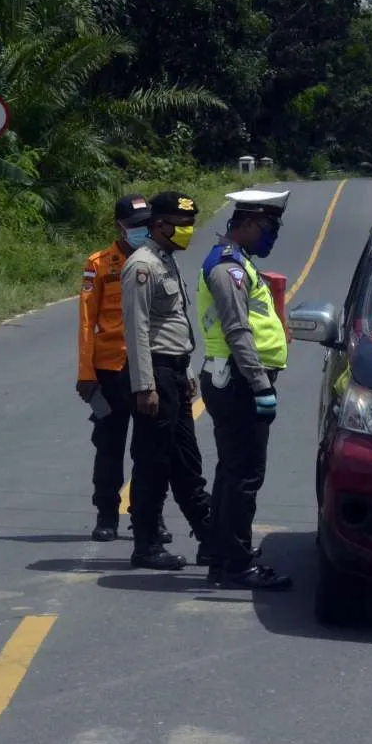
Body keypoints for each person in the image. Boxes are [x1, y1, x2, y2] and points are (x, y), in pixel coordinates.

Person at [197, 189, 293, 590]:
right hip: (238, 378)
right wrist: (259, 385)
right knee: (245, 476)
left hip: (235, 377)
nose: (271, 236)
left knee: (232, 471)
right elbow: (237, 330)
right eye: (268, 227)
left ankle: (222, 555)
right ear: (250, 224)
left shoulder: (240, 263)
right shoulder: (228, 267)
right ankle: (235, 565)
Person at [121, 190, 213, 570]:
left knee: (187, 461)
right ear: (158, 225)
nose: (189, 232)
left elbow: (175, 323)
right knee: (153, 462)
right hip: (154, 373)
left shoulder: (166, 260)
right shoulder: (141, 266)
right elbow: (138, 328)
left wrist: (187, 371)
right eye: (182, 226)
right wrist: (145, 386)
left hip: (174, 370)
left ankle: (211, 539)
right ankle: (145, 544)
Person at [76, 193, 171, 544]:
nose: (141, 232)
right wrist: (86, 374)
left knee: (151, 448)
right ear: (119, 227)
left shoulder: (158, 261)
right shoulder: (99, 264)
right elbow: (86, 322)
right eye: (134, 227)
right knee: (109, 445)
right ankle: (106, 513)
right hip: (110, 368)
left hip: (150, 365)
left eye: (146, 225)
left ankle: (150, 516)